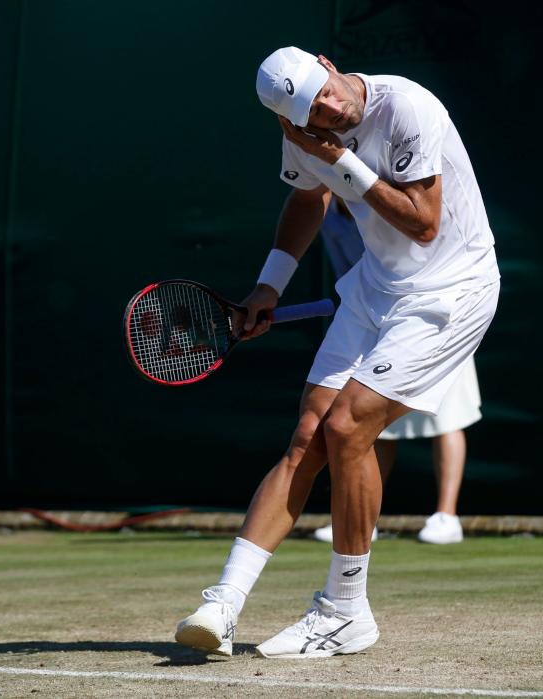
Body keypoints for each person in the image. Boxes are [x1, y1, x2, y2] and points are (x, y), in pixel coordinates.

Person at [174, 47, 499, 658]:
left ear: (327, 63)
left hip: (452, 291)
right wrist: (269, 286)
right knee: (308, 435)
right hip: (376, 289)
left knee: (348, 427)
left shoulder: (408, 107)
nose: (327, 107)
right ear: (290, 123)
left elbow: (422, 223)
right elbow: (307, 200)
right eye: (310, 113)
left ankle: (345, 612)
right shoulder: (306, 133)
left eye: (324, 92)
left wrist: (340, 158)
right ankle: (223, 602)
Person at [313, 196, 482, 545]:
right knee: (370, 424)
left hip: (437, 310)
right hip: (374, 318)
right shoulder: (327, 216)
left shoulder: (388, 201)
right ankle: (362, 519)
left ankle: (447, 517)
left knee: (447, 417)